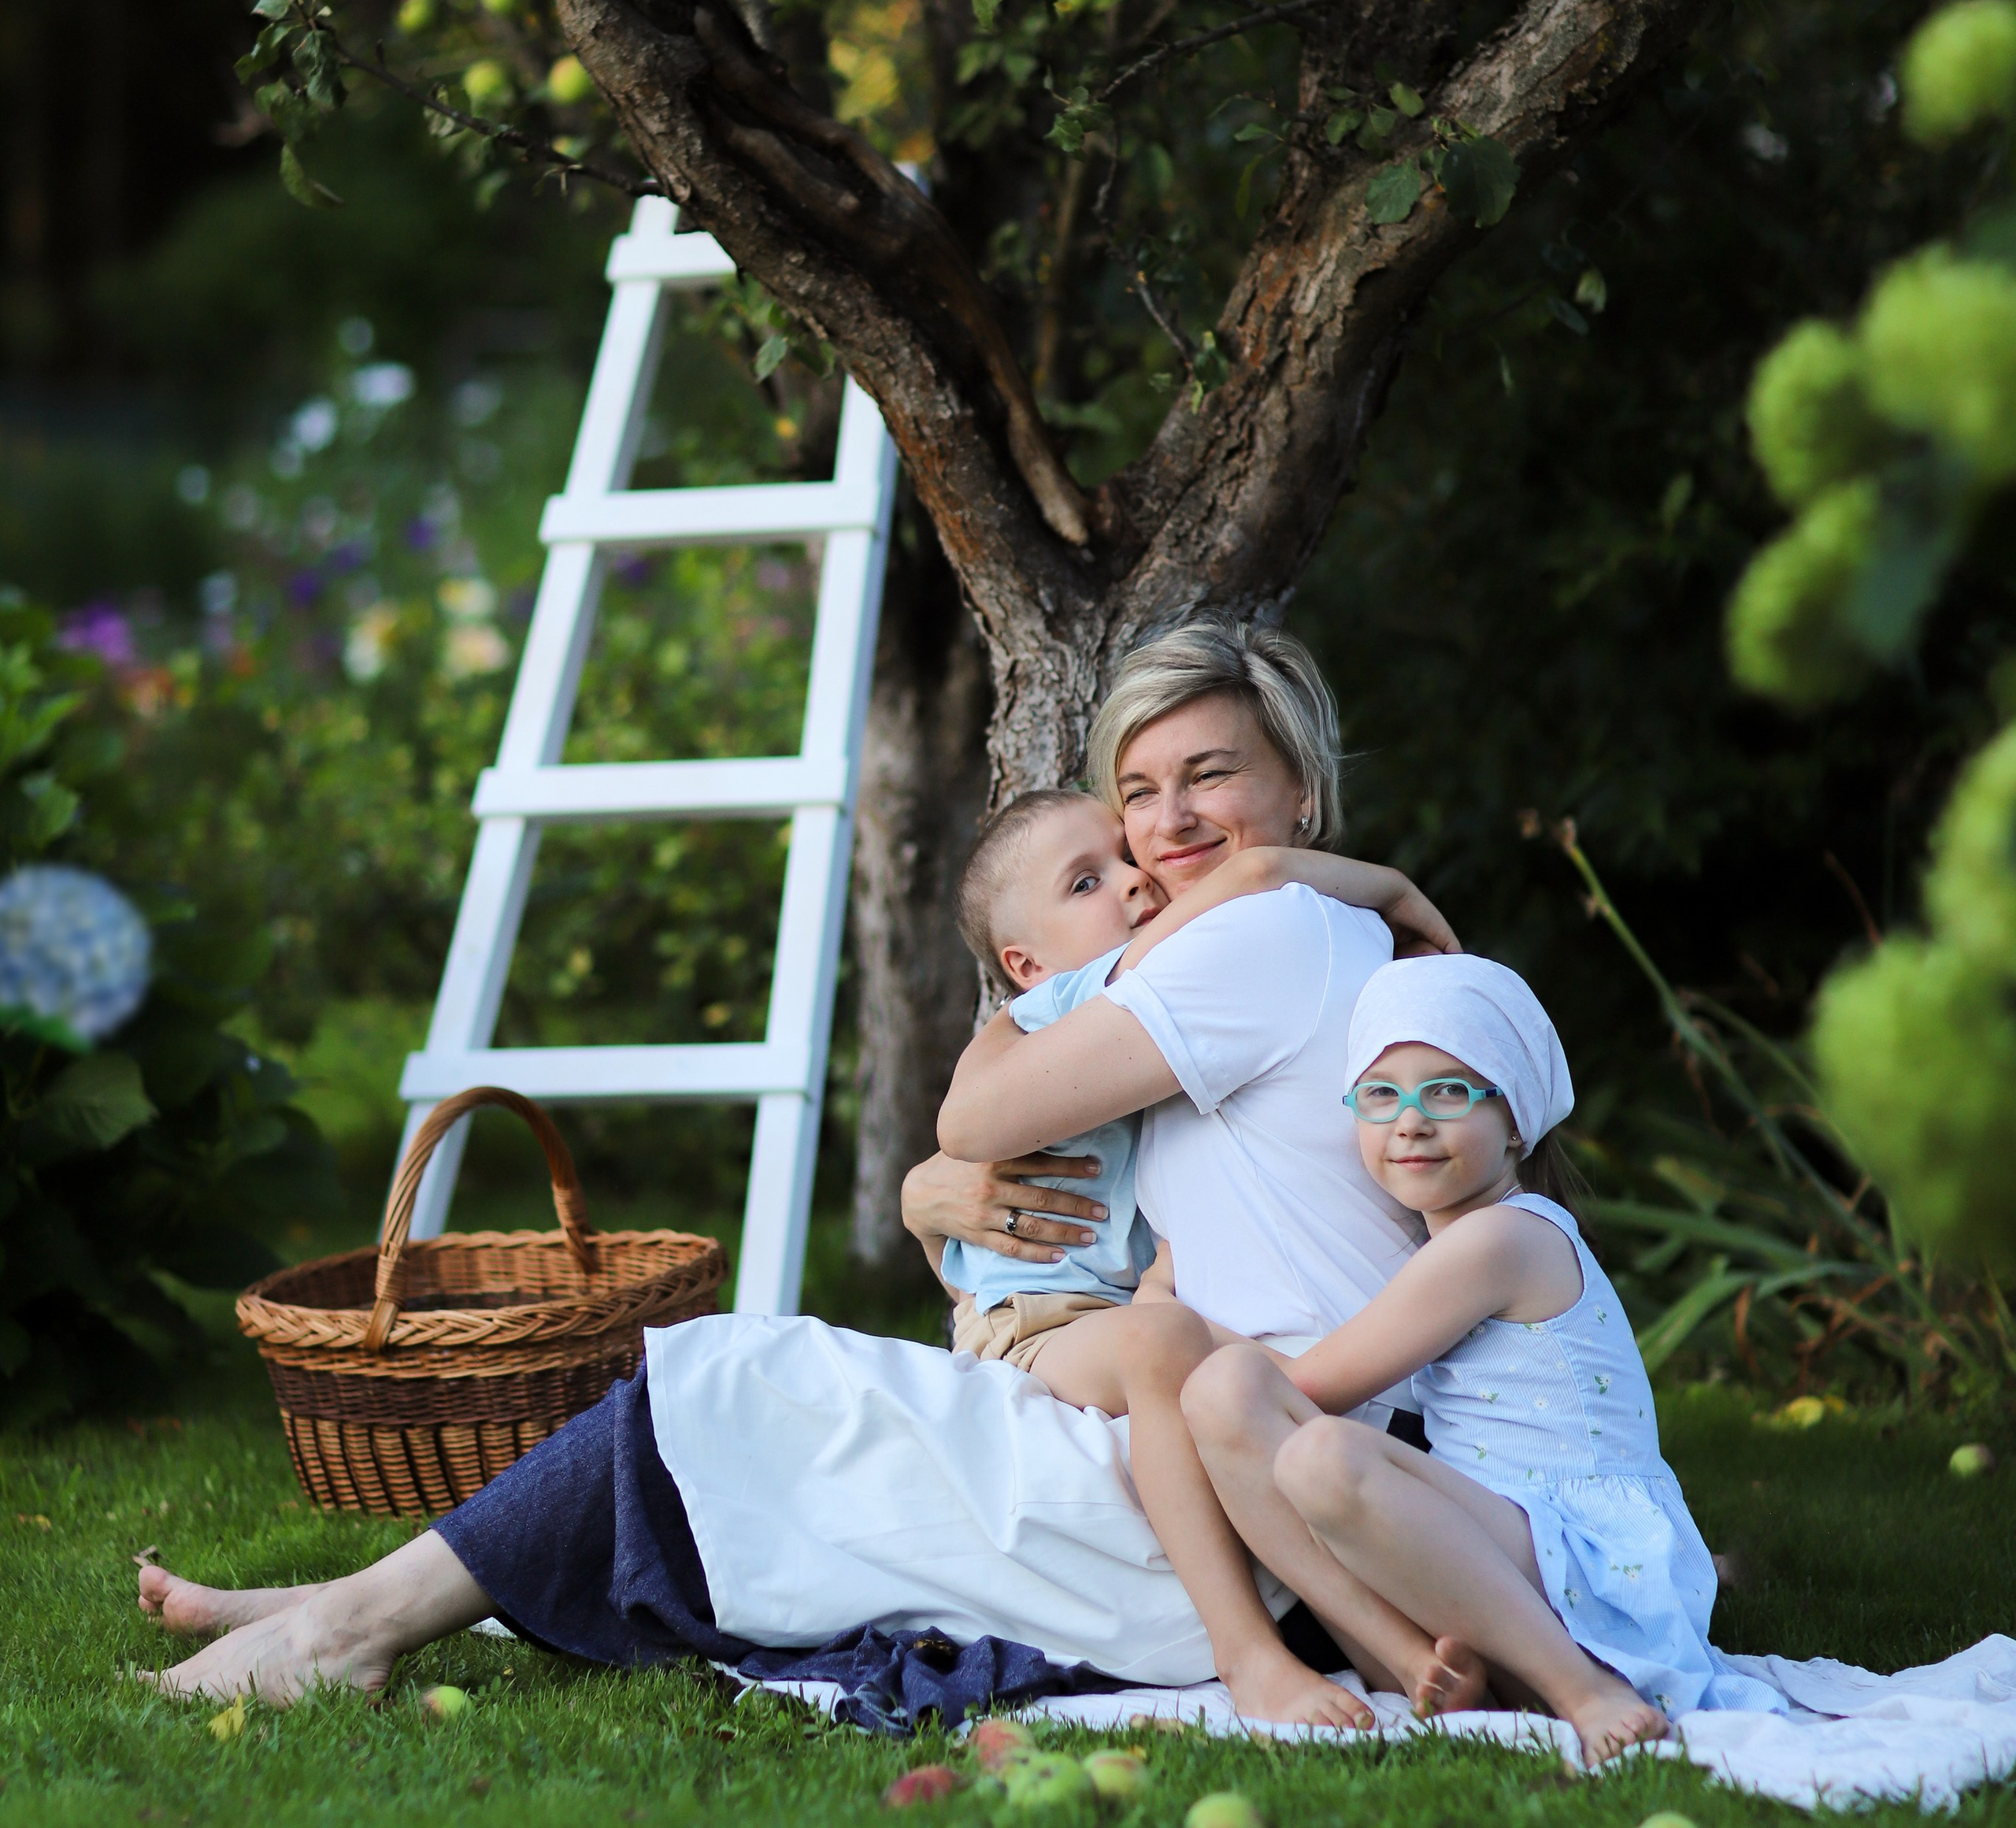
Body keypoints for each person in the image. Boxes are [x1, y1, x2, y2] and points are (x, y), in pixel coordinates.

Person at [132, 617, 1462, 1716]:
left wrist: (1302, 868)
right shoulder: (1220, 948)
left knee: (739, 1381)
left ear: (1298, 787)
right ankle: (361, 1607)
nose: (1164, 830)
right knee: (739, 1390)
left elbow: (983, 1124)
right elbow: (1002, 1150)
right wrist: (927, 1197)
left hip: (1231, 1435)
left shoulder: (1260, 934)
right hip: (1184, 1393)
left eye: (1212, 780)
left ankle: (357, 1620)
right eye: (1139, 797)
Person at [932, 782, 1466, 1724]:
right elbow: (1254, 873)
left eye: (1127, 865)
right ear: (1024, 961)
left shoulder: (1135, 1004)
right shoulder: (1082, 991)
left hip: (1103, 1305)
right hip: (1031, 1325)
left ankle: (1400, 1617)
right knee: (1166, 1343)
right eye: (1088, 880)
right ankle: (1248, 1653)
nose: (1136, 886)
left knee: (1235, 1373)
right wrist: (1381, 884)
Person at [1178, 953, 1790, 1768]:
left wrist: (1171, 1314)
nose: (1410, 1120)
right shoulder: (1455, 1243)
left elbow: (1313, 1386)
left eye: (1448, 1090)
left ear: (1514, 1120)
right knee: (1219, 1391)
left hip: (1586, 1563)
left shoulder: (1502, 1238)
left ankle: (1580, 1688)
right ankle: (1416, 1663)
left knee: (1321, 1452)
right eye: (1380, 1094)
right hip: (1487, 1558)